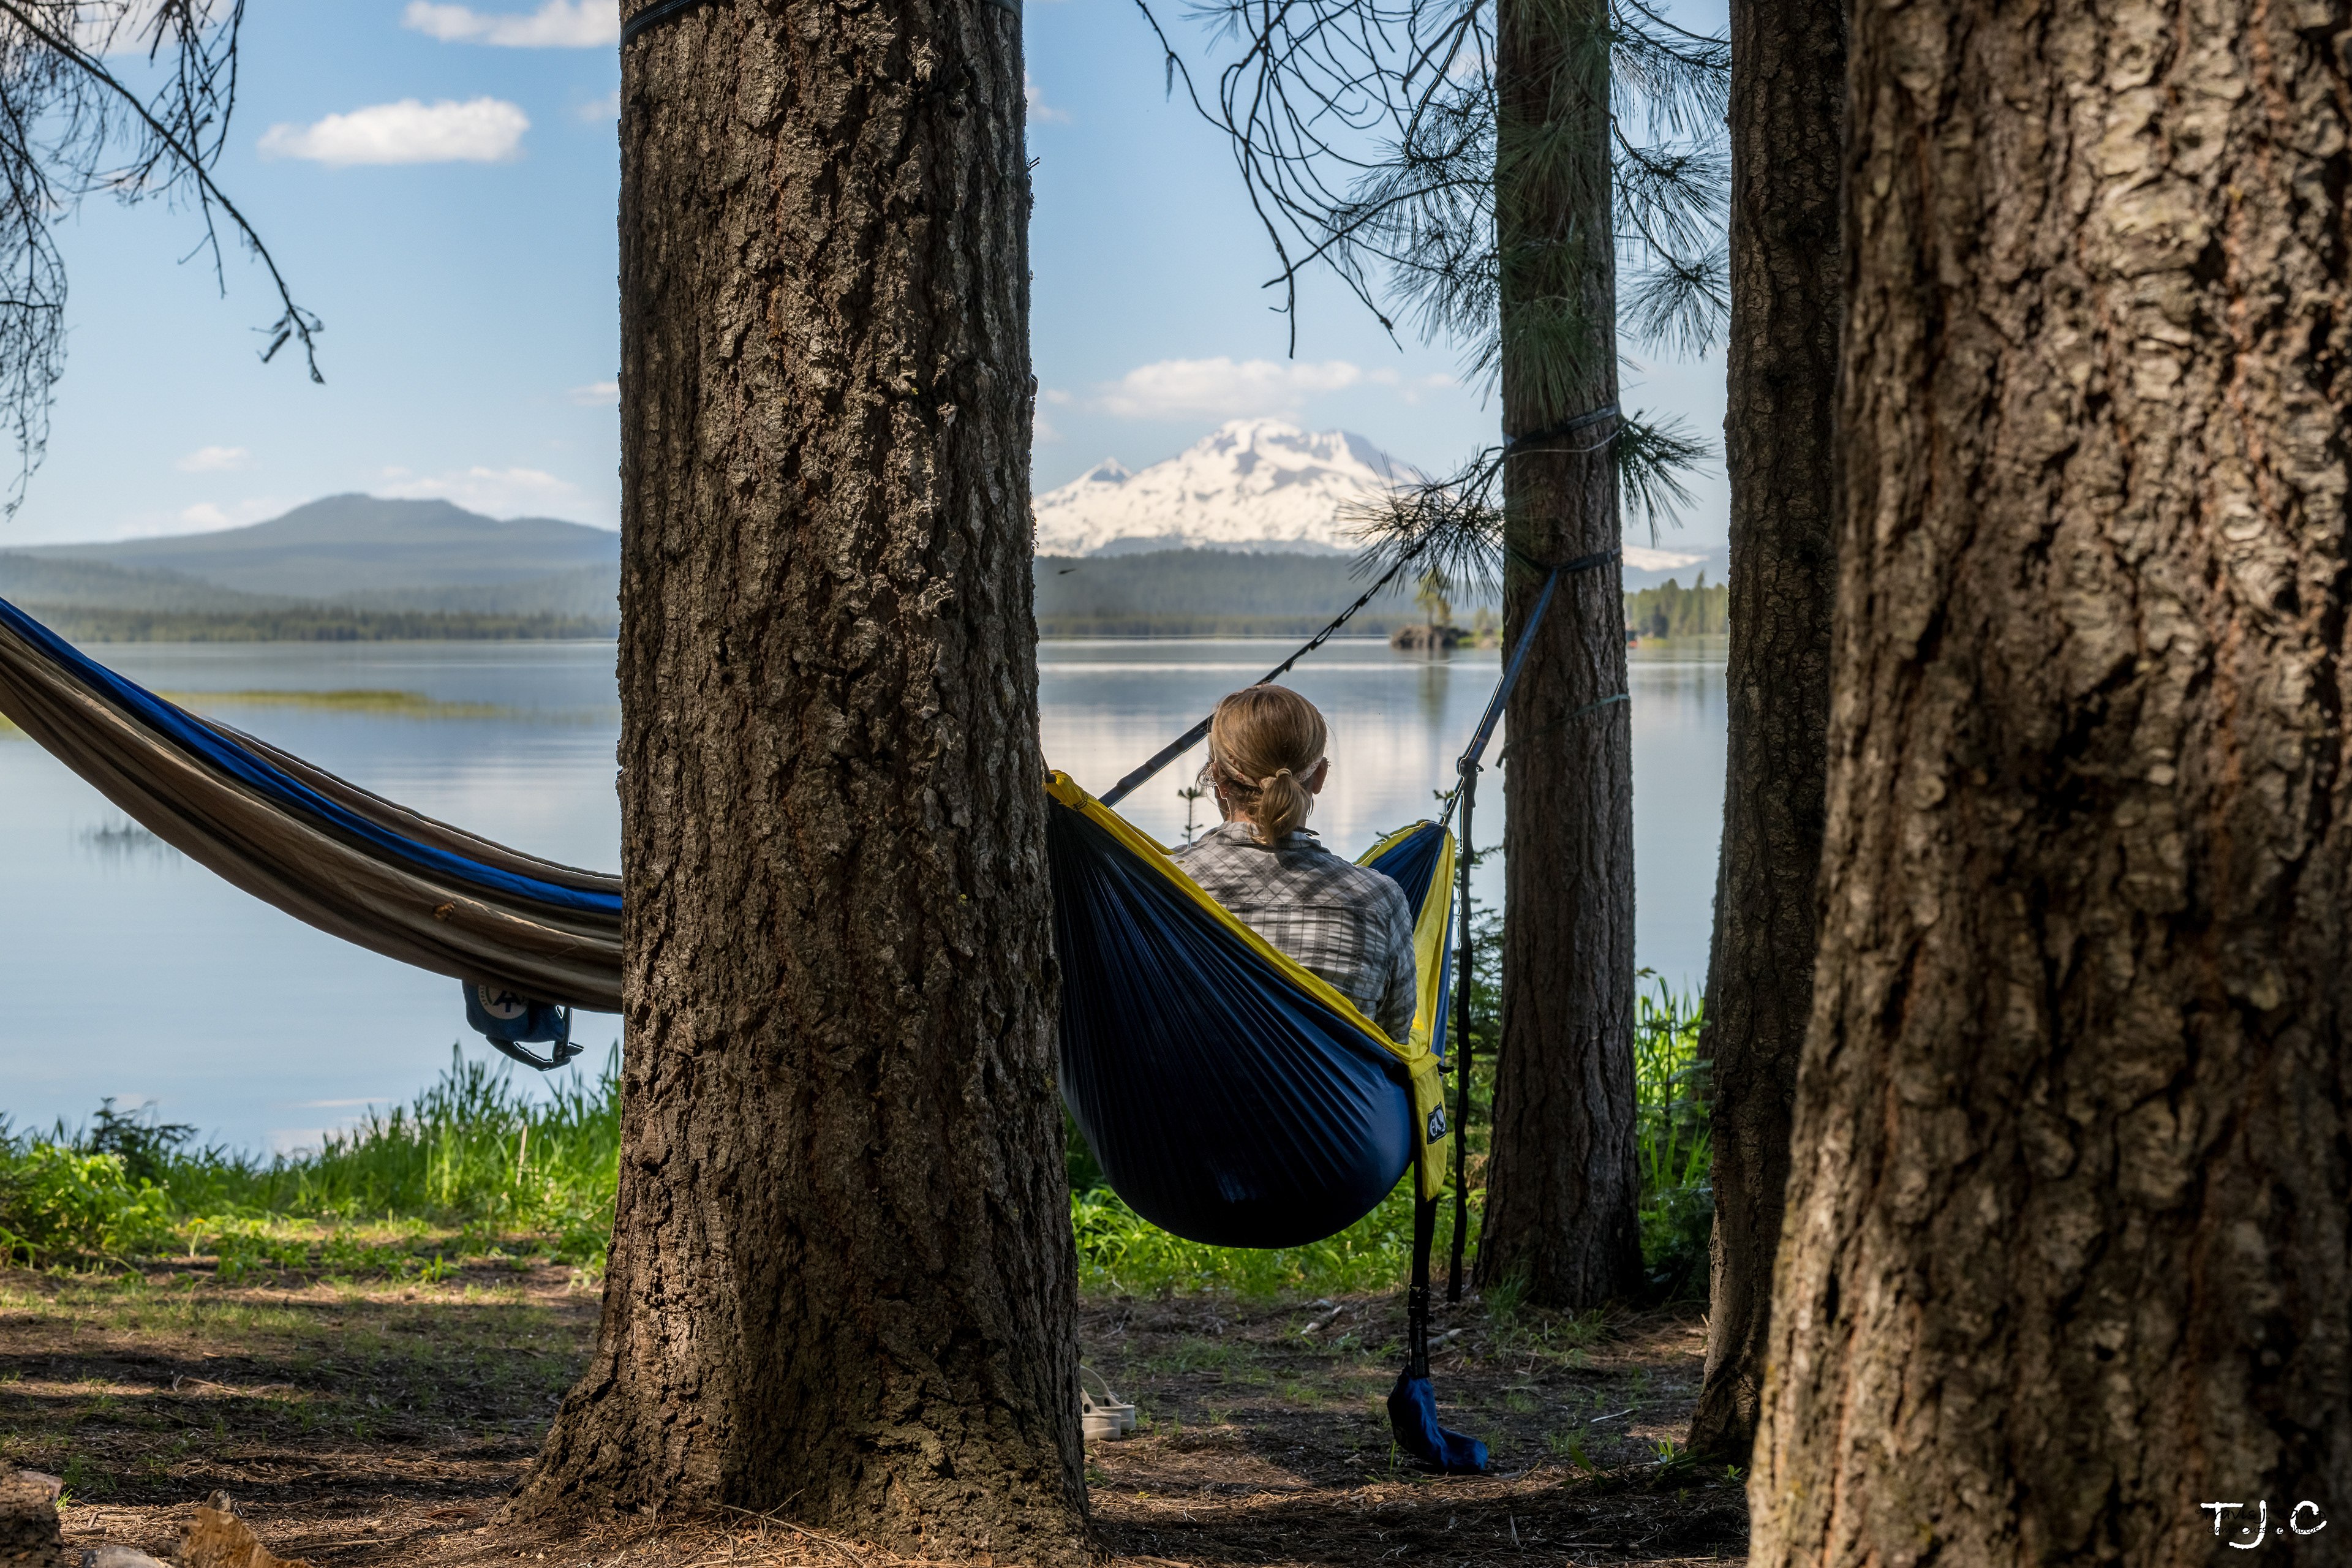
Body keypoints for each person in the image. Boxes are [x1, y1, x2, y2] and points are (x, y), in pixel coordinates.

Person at [1172, 684, 1417, 1044]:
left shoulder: (1166, 886)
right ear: (1318, 777)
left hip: (1187, 1094)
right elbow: (1394, 1038)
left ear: (1219, 780)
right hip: (1333, 1097)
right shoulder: (1378, 900)